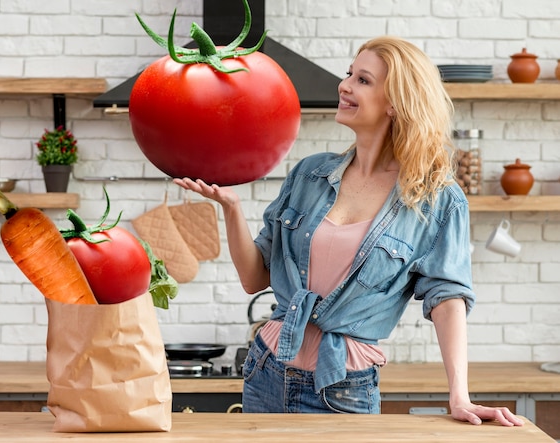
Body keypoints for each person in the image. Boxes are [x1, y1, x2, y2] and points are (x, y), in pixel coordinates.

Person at [174, 36, 523, 426]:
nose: (345, 85)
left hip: (344, 387)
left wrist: (459, 395)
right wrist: (231, 209)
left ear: (396, 102)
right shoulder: (310, 173)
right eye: (348, 74)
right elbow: (253, 278)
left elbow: (448, 300)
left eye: (363, 80)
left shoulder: (436, 200)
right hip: (266, 372)